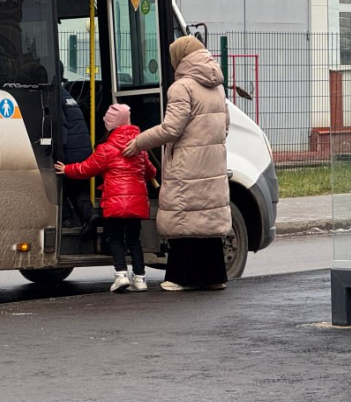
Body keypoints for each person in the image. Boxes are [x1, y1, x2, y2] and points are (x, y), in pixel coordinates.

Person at [122, 35, 230, 292]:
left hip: (187, 163)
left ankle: (181, 277)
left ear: (179, 58)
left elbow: (171, 129)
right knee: (206, 218)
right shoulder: (217, 85)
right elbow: (225, 127)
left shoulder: (182, 87)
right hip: (212, 163)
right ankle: (214, 277)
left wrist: (138, 142)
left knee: (184, 217)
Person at [56, 103, 156, 293]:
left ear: (110, 125)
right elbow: (151, 171)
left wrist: (66, 169)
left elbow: (87, 168)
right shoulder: (140, 148)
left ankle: (121, 275)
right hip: (136, 204)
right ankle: (140, 278)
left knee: (115, 238)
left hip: (115, 203)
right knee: (134, 240)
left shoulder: (106, 149)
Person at [58, 66, 93, 229]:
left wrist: (59, 153)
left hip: (70, 150)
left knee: (59, 181)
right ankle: (89, 216)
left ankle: (66, 219)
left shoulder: (54, 96)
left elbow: (62, 126)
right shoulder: (66, 95)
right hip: (83, 149)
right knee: (79, 187)